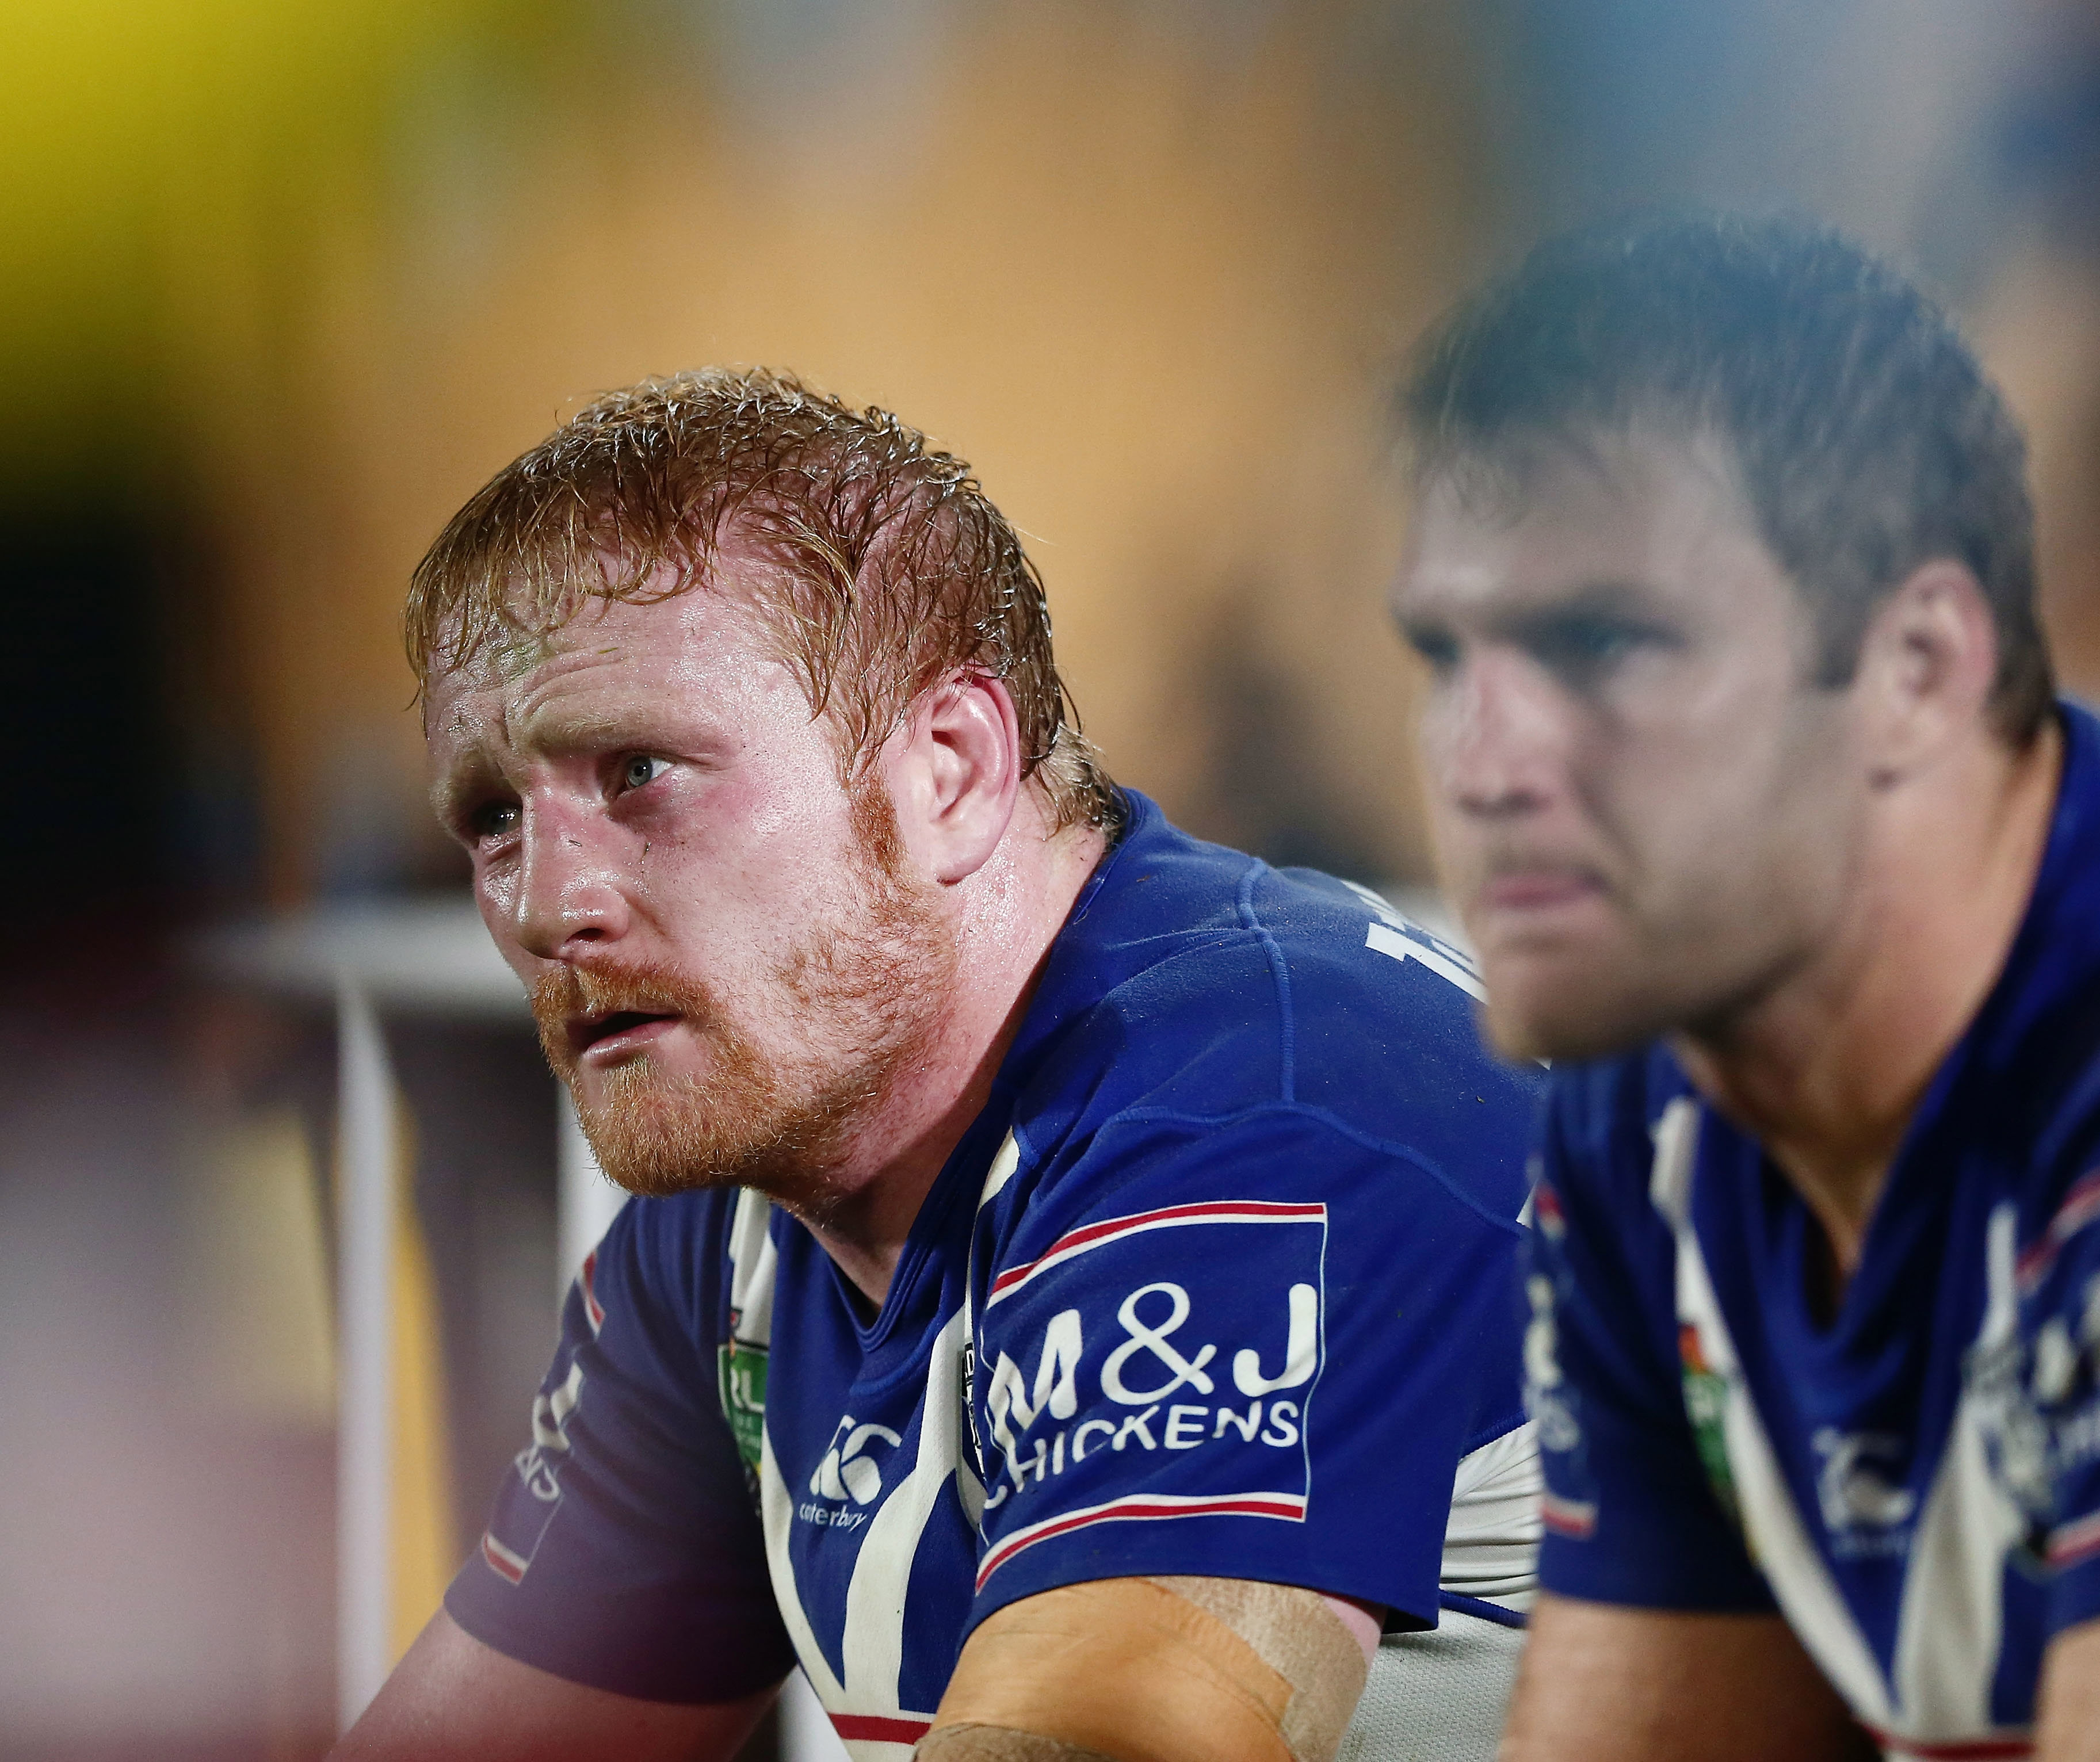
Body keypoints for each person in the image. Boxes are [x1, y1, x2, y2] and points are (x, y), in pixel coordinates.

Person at [346, 367, 1540, 1762]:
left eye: (639, 771)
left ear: (951, 769)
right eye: (493, 815)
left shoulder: (1262, 1102)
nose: (550, 903)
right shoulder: (732, 1223)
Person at [1389, 212, 2100, 1760]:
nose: (1483, 763)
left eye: (1606, 643)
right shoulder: (1652, 1091)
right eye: (1447, 654)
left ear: (1917, 667)